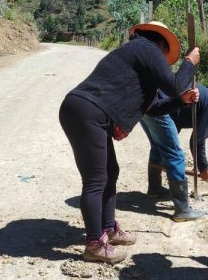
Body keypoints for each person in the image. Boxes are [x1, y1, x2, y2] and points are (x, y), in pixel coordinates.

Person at [59, 21, 200, 264]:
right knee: (96, 180)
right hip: (87, 112)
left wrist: (181, 101)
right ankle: (94, 244)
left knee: (111, 172)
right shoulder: (146, 49)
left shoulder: (139, 60)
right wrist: (190, 62)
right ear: (161, 45)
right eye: (167, 56)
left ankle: (109, 229)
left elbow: (153, 108)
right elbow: (176, 84)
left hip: (89, 112)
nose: (166, 61)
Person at [141, 85, 208, 219]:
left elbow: (178, 117)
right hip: (158, 107)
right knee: (176, 155)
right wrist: (204, 168)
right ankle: (182, 210)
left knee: (159, 147)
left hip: (147, 103)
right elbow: (197, 141)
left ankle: (154, 189)